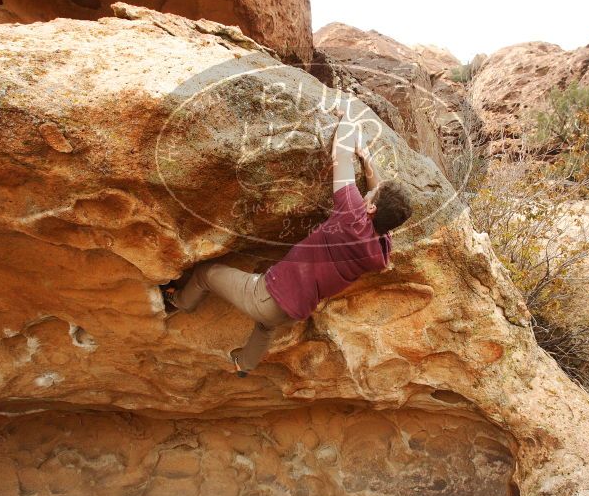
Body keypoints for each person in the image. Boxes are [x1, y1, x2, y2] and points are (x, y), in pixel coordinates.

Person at [163, 100, 413, 377]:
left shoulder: (351, 216)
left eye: (370, 197)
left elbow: (340, 156)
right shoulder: (380, 251)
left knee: (207, 273)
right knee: (266, 326)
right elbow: (378, 190)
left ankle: (181, 302)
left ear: (371, 208)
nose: (367, 193)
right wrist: (366, 159)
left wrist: (348, 118)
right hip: (294, 308)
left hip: (266, 295)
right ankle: (244, 364)